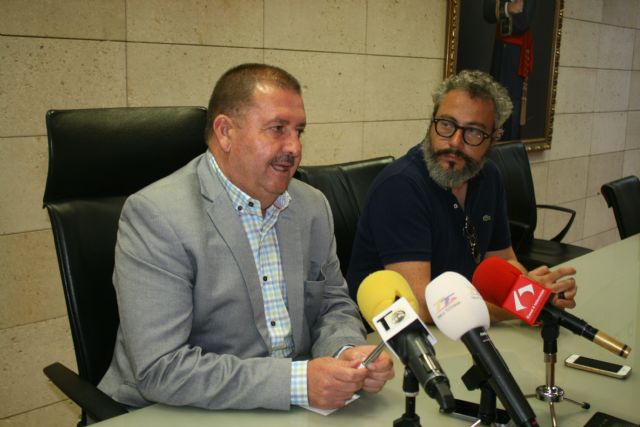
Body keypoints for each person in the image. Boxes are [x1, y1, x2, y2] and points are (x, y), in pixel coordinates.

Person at [98, 63, 394, 411]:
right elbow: (161, 368)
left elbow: (333, 305)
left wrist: (347, 354)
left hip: (288, 408)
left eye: (299, 131)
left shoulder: (311, 206)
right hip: (171, 411)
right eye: (277, 129)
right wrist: (296, 383)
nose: (294, 147)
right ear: (225, 132)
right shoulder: (156, 216)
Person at [346, 69, 577, 324]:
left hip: (464, 321)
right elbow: (421, 307)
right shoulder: (401, 187)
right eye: (446, 124)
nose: (455, 142)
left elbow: (504, 260)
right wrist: (523, 305)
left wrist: (536, 293)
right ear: (431, 122)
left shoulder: (489, 177)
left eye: (473, 132)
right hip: (396, 334)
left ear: (493, 139)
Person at [483, 0, 537, 140]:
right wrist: (508, 8)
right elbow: (488, 12)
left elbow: (522, 22)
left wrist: (501, 10)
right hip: (500, 48)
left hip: (516, 52)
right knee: (493, 99)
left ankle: (508, 148)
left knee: (512, 105)